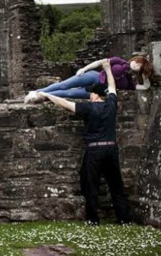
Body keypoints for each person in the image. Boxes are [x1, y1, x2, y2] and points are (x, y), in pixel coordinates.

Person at [38, 59, 131, 225]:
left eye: (91, 93)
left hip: (94, 151)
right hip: (111, 149)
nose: (90, 95)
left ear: (95, 95)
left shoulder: (89, 108)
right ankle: (124, 218)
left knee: (91, 185)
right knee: (116, 185)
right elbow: (112, 86)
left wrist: (47, 95)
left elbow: (66, 104)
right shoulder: (111, 105)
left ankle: (93, 219)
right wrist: (108, 70)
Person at [25, 55, 152, 102]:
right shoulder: (119, 61)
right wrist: (84, 69)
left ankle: (42, 95)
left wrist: (146, 74)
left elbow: (146, 87)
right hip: (93, 77)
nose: (137, 64)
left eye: (140, 66)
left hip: (97, 91)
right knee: (64, 84)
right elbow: (99, 62)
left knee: (68, 93)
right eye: (138, 61)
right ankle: (36, 92)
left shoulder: (129, 82)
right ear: (135, 59)